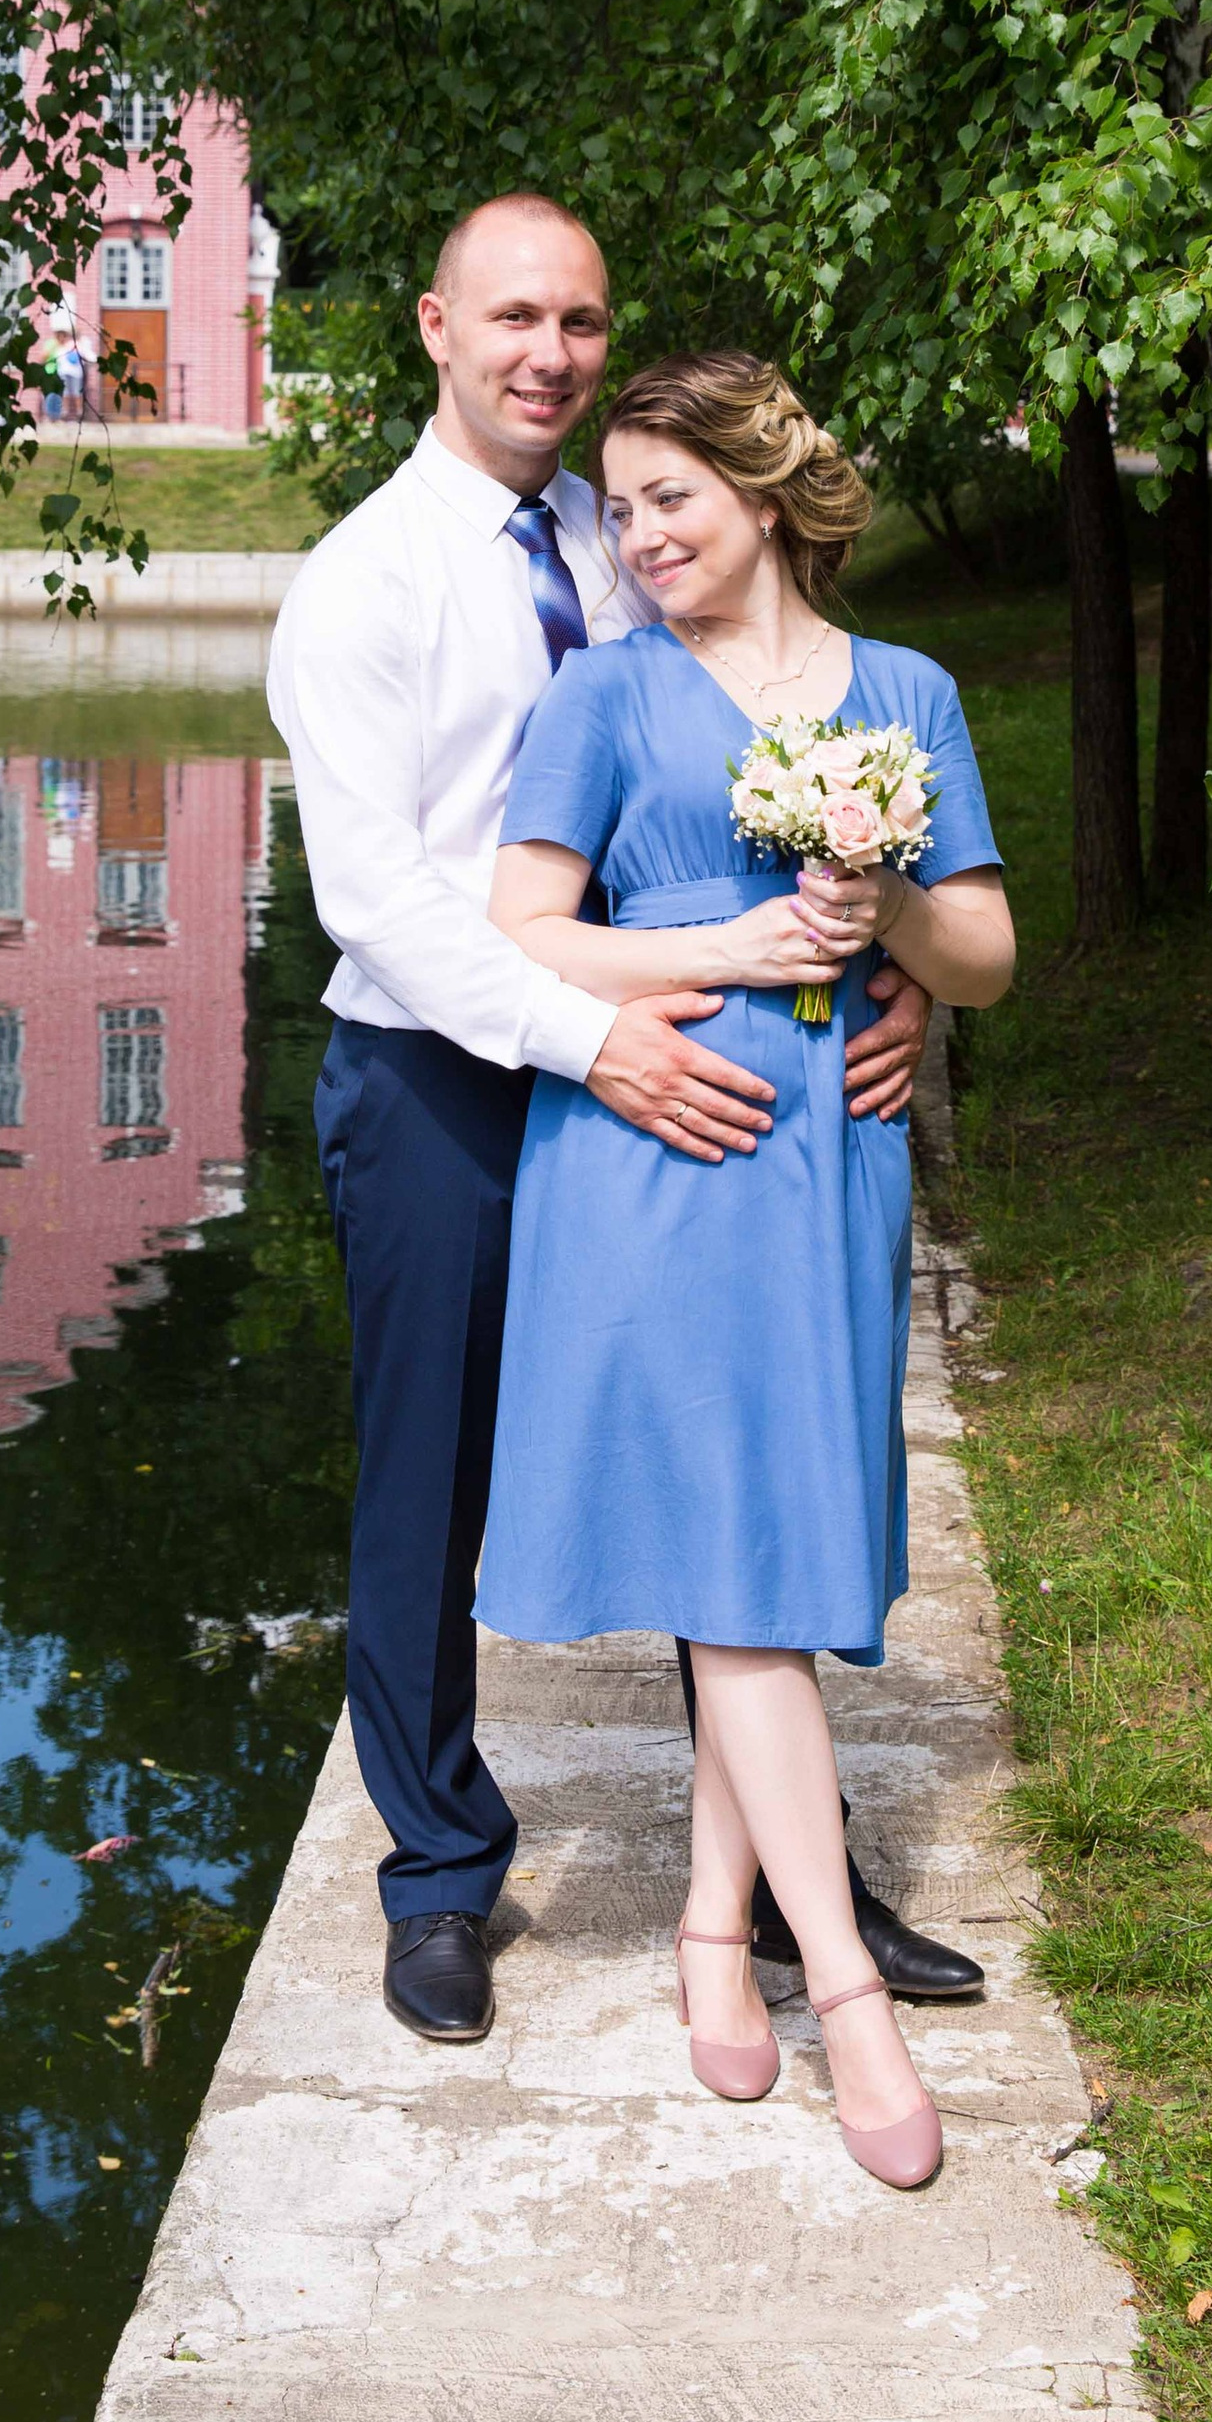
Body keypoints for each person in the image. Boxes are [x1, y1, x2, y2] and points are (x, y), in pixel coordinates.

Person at [265, 194, 969, 2049]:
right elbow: (386, 907)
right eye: (513, 317)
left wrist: (880, 967)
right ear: (434, 326)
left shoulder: (628, 523)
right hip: (442, 1064)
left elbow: (783, 766)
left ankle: (779, 1880)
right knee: (426, 1474)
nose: (549, 355)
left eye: (577, 319)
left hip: (662, 1052)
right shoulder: (361, 583)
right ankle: (438, 1875)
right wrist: (600, 1036)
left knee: (712, 1437)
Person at [476, 352, 1015, 2186]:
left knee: (762, 1551)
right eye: (615, 511)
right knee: (747, 1582)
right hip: (658, 1155)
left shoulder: (910, 692)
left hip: (832, 1159)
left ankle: (717, 1929)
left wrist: (887, 917)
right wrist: (741, 925)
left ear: (765, 492)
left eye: (669, 501)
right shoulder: (603, 695)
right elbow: (525, 932)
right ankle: (842, 1988)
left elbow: (991, 955)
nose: (638, 539)